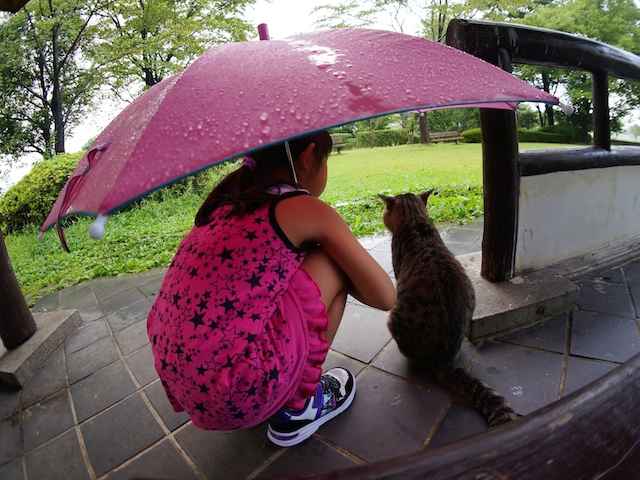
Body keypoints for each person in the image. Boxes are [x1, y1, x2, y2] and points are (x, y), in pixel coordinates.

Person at [147, 130, 396, 447]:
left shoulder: (223, 204)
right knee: (331, 262)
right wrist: (346, 272)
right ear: (307, 157)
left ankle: (267, 390)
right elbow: (385, 296)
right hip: (235, 392)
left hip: (188, 386)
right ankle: (298, 409)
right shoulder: (302, 208)